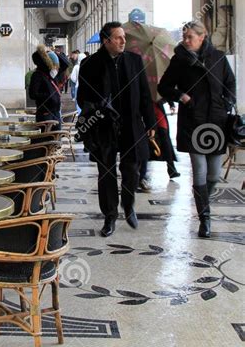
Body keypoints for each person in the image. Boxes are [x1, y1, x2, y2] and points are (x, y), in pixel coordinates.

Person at [77, 22, 156, 237]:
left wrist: (150, 123)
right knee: (106, 173)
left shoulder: (134, 60)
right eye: (118, 37)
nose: (123, 41)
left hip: (131, 125)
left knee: (131, 170)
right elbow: (82, 98)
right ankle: (109, 216)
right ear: (106, 40)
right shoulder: (90, 65)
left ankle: (128, 205)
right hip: (104, 127)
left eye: (124, 37)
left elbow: (145, 94)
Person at [158, 20, 235, 238]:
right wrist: (181, 96)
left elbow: (230, 83)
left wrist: (228, 103)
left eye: (190, 36)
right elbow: (163, 86)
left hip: (216, 121)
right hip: (193, 121)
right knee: (199, 171)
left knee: (214, 174)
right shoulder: (179, 60)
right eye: (184, 36)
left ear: (203, 37)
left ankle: (203, 203)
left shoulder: (218, 58)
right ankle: (205, 219)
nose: (186, 40)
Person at [29, 45, 63, 130]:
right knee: (47, 139)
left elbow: (64, 63)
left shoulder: (50, 74)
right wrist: (50, 95)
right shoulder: (37, 75)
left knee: (56, 138)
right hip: (45, 113)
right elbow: (33, 94)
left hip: (55, 112)